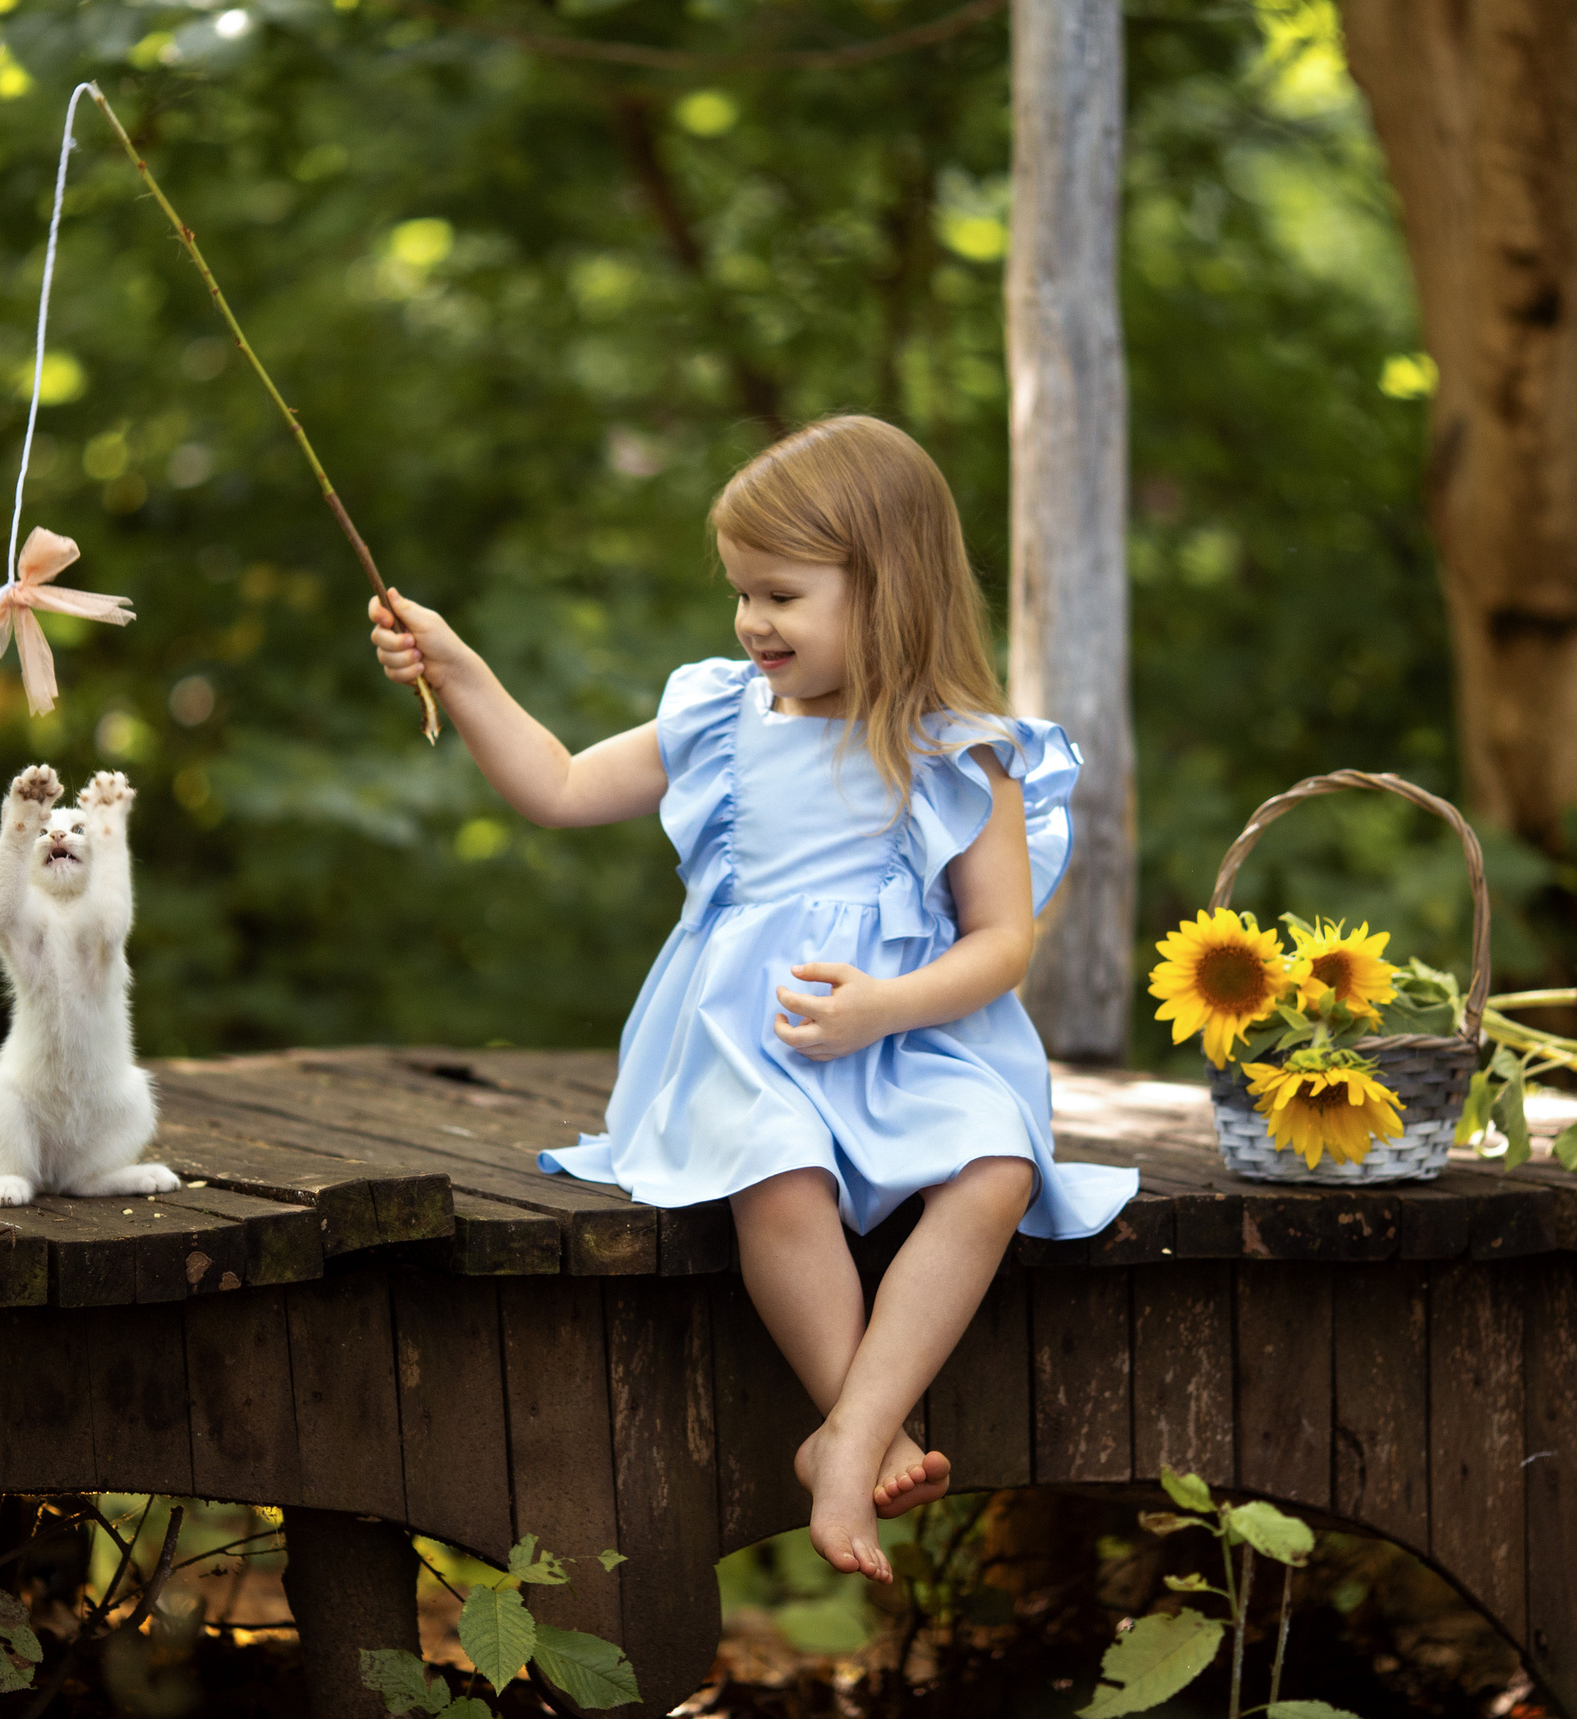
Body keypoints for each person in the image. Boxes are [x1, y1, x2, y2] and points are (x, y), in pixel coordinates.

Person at [367, 414, 1138, 1582]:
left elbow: (1000, 942)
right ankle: (859, 1429)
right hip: (752, 1045)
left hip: (911, 1038)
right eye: (740, 592)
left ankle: (850, 1433)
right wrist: (460, 672)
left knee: (996, 1170)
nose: (750, 621)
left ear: (890, 590)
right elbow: (560, 787)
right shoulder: (721, 719)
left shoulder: (957, 751)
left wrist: (887, 1006)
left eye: (781, 595)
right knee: (776, 1173)